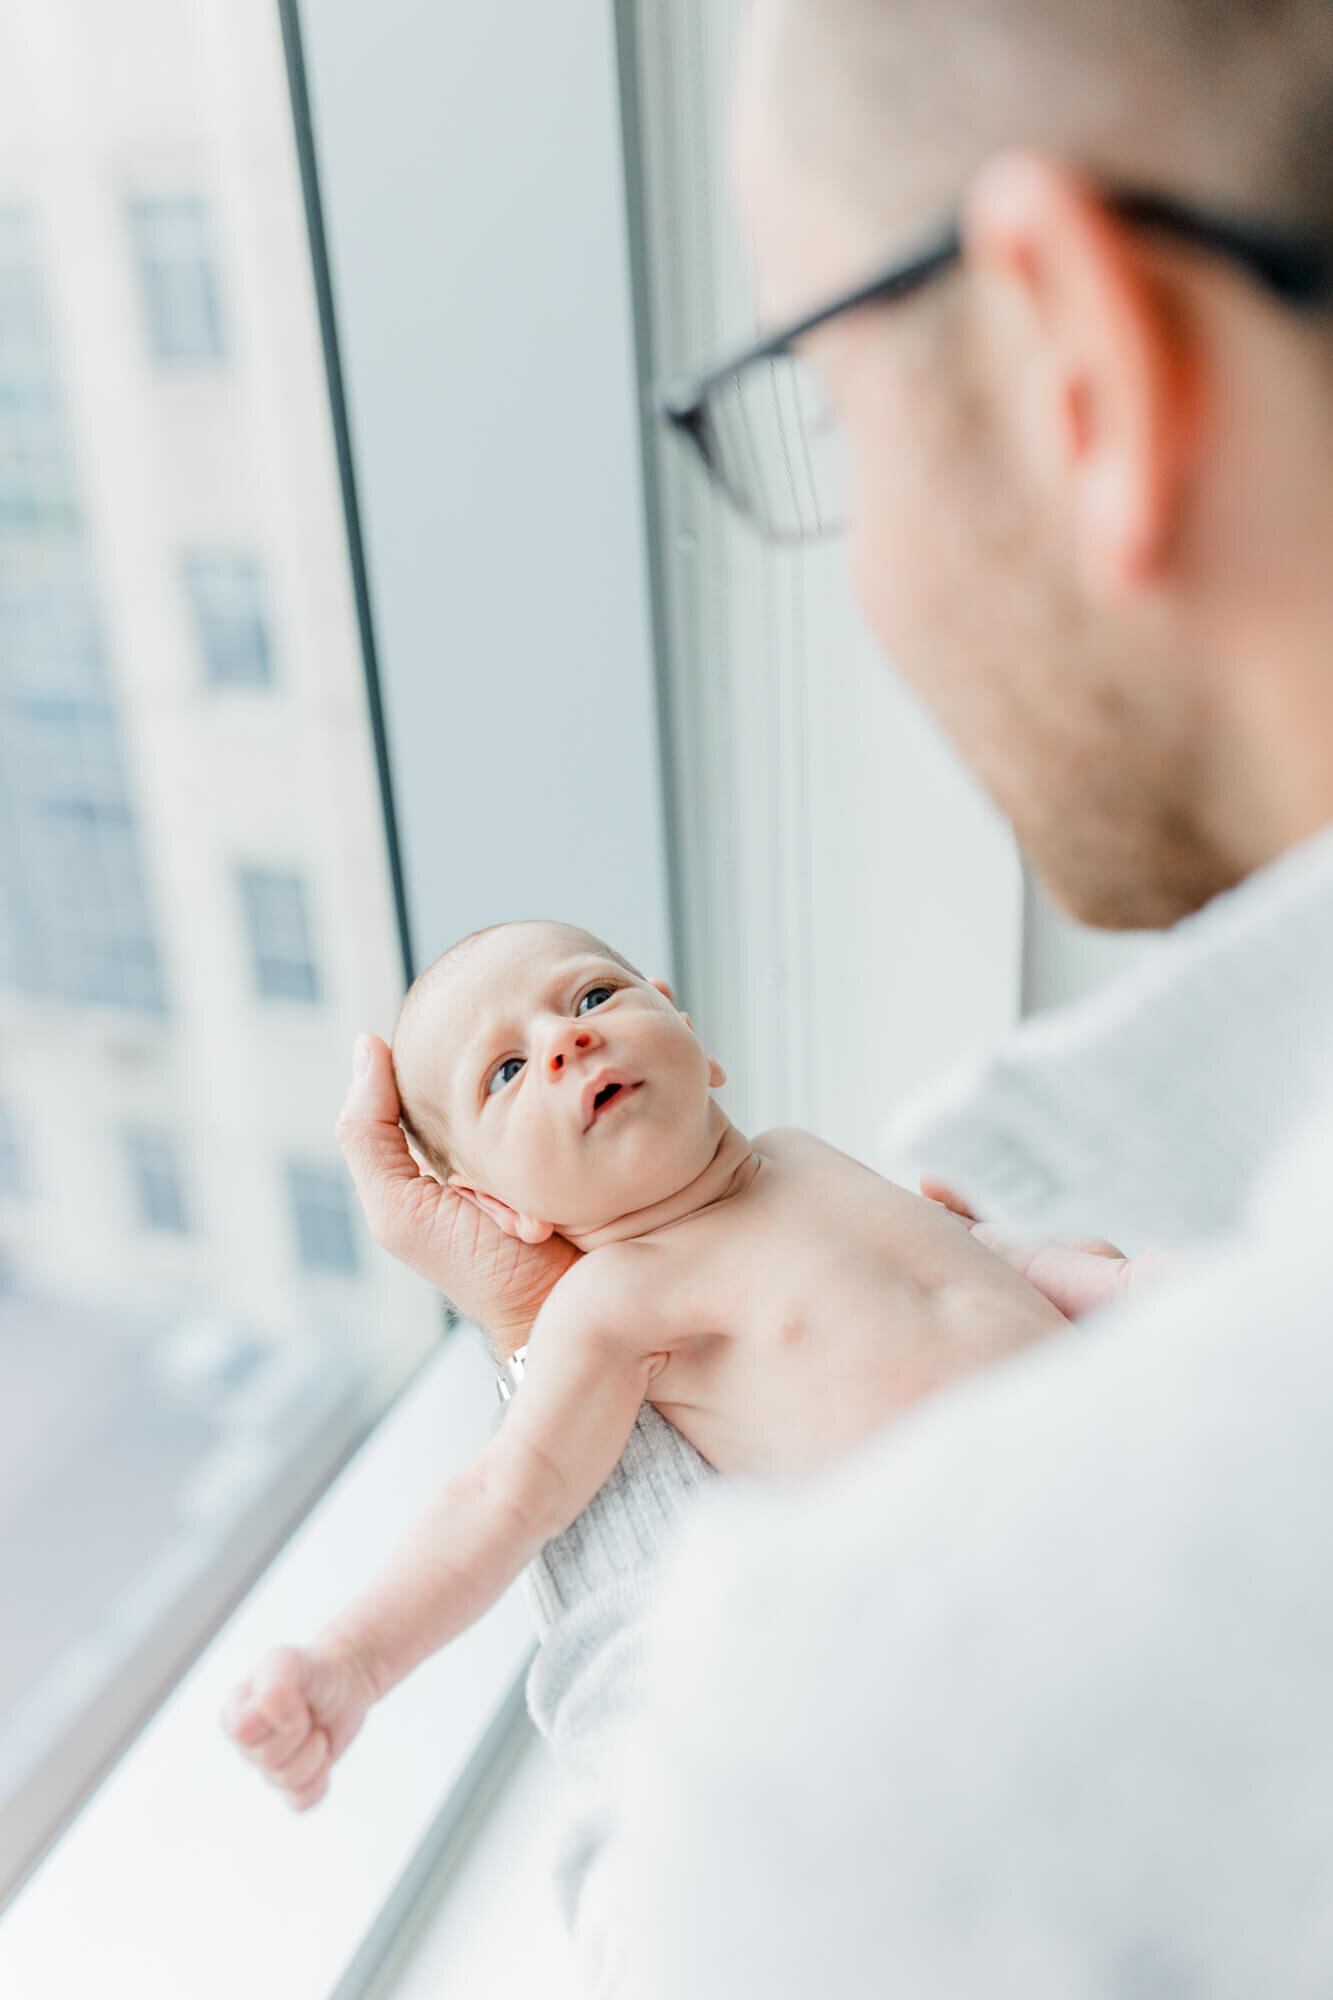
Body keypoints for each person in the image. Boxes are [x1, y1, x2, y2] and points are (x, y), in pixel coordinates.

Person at [332, 0, 1333, 1990]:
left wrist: (567, 1368)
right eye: (510, 1060)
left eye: (829, 414)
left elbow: (691, 1906)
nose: (574, 1042)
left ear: (1083, 364)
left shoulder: (853, 1755)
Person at [220, 918, 1064, 1808]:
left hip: (1108, 1450)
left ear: (689, 1036)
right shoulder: (613, 1301)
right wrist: (350, 1660)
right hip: (980, 1603)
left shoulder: (800, 1153)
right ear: (493, 1206)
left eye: (590, 997)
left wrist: (1098, 1275)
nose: (565, 1040)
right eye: (504, 1072)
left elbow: (974, 1278)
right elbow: (503, 1498)